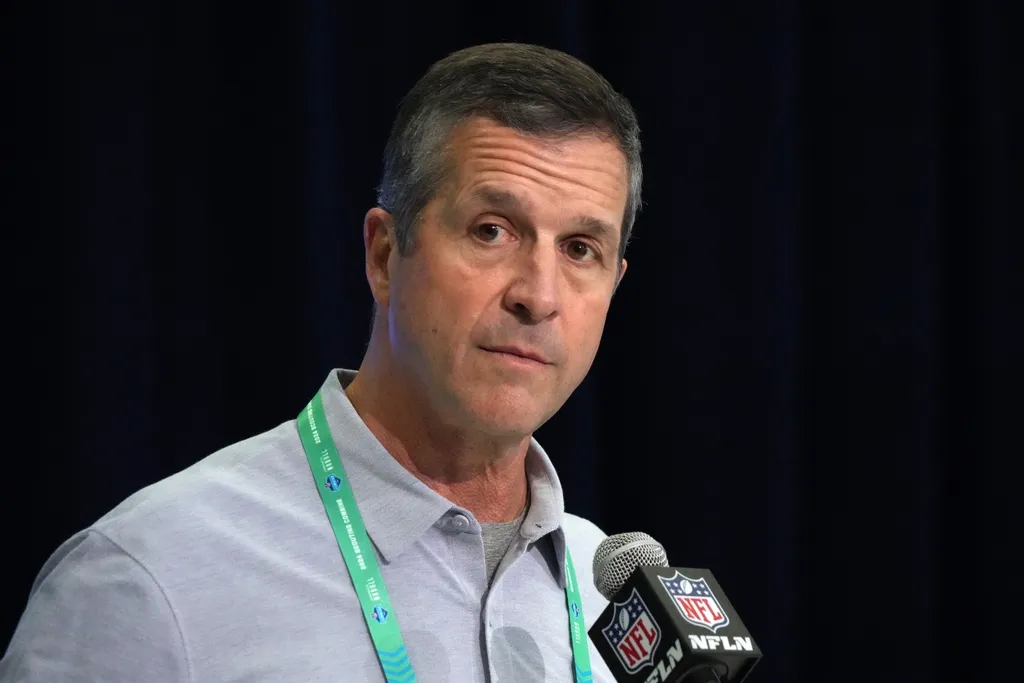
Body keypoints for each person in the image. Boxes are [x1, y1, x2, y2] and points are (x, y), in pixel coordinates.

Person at [0, 42, 641, 682]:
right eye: (491, 230)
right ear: (385, 256)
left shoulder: (616, 602)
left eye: (581, 249)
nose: (539, 295)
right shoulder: (148, 581)